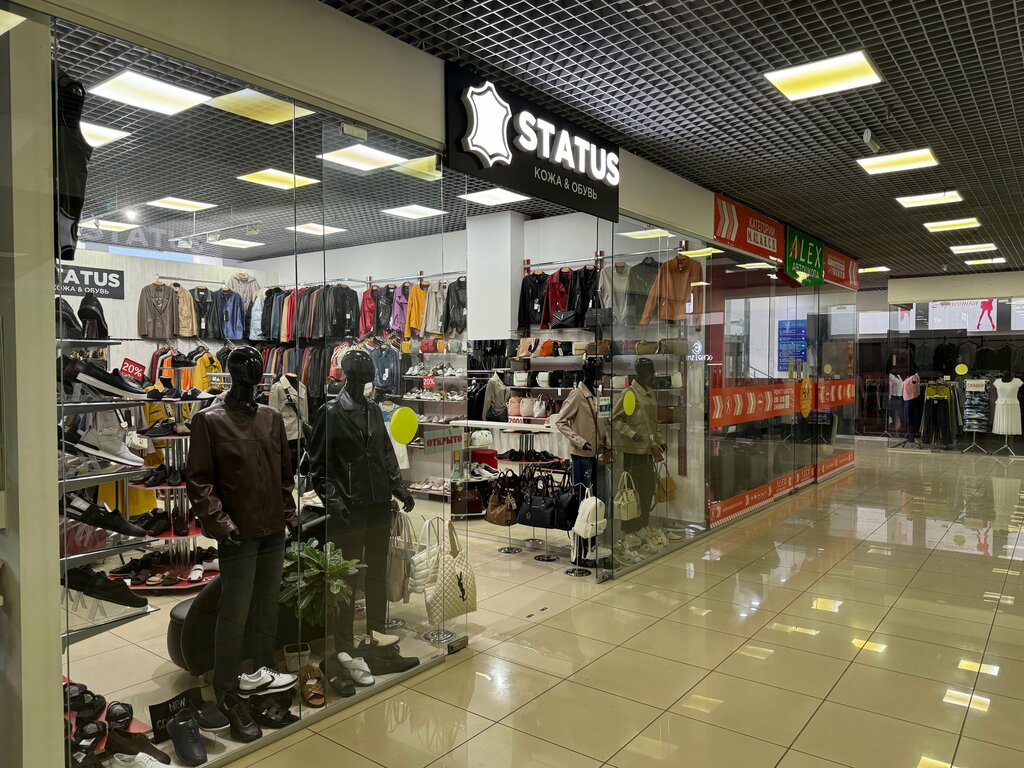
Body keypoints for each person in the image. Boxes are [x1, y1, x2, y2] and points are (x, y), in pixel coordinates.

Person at [186, 346, 298, 703]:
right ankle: (227, 685)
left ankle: (264, 672)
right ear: (233, 372)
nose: (253, 371)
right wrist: (221, 524)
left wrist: (290, 515)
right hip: (238, 533)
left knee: (267, 605)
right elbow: (199, 481)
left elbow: (283, 477)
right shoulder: (210, 420)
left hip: (273, 531)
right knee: (234, 609)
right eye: (246, 366)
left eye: (257, 366)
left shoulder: (271, 418)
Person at [308, 349, 419, 676]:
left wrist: (399, 488)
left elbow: (385, 453)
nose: (364, 385)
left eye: (367, 379)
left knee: (376, 576)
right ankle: (345, 647)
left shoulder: (372, 409)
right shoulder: (330, 412)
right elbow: (319, 468)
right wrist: (335, 502)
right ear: (348, 377)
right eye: (360, 378)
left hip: (378, 504)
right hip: (350, 509)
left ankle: (378, 640)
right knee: (346, 578)